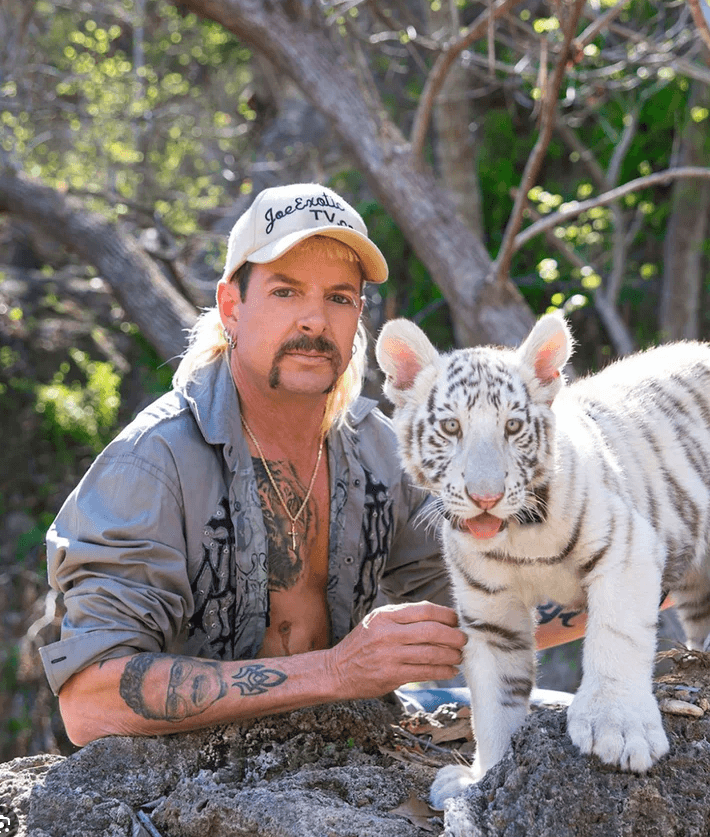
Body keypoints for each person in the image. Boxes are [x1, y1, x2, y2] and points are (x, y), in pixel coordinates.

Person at [40, 183, 468, 745]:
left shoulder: (377, 448)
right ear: (232, 307)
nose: (315, 321)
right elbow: (89, 701)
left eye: (339, 297)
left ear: (358, 314)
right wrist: (337, 672)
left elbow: (480, 596)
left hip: (352, 763)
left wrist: (607, 582)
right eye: (286, 292)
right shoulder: (152, 462)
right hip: (184, 793)